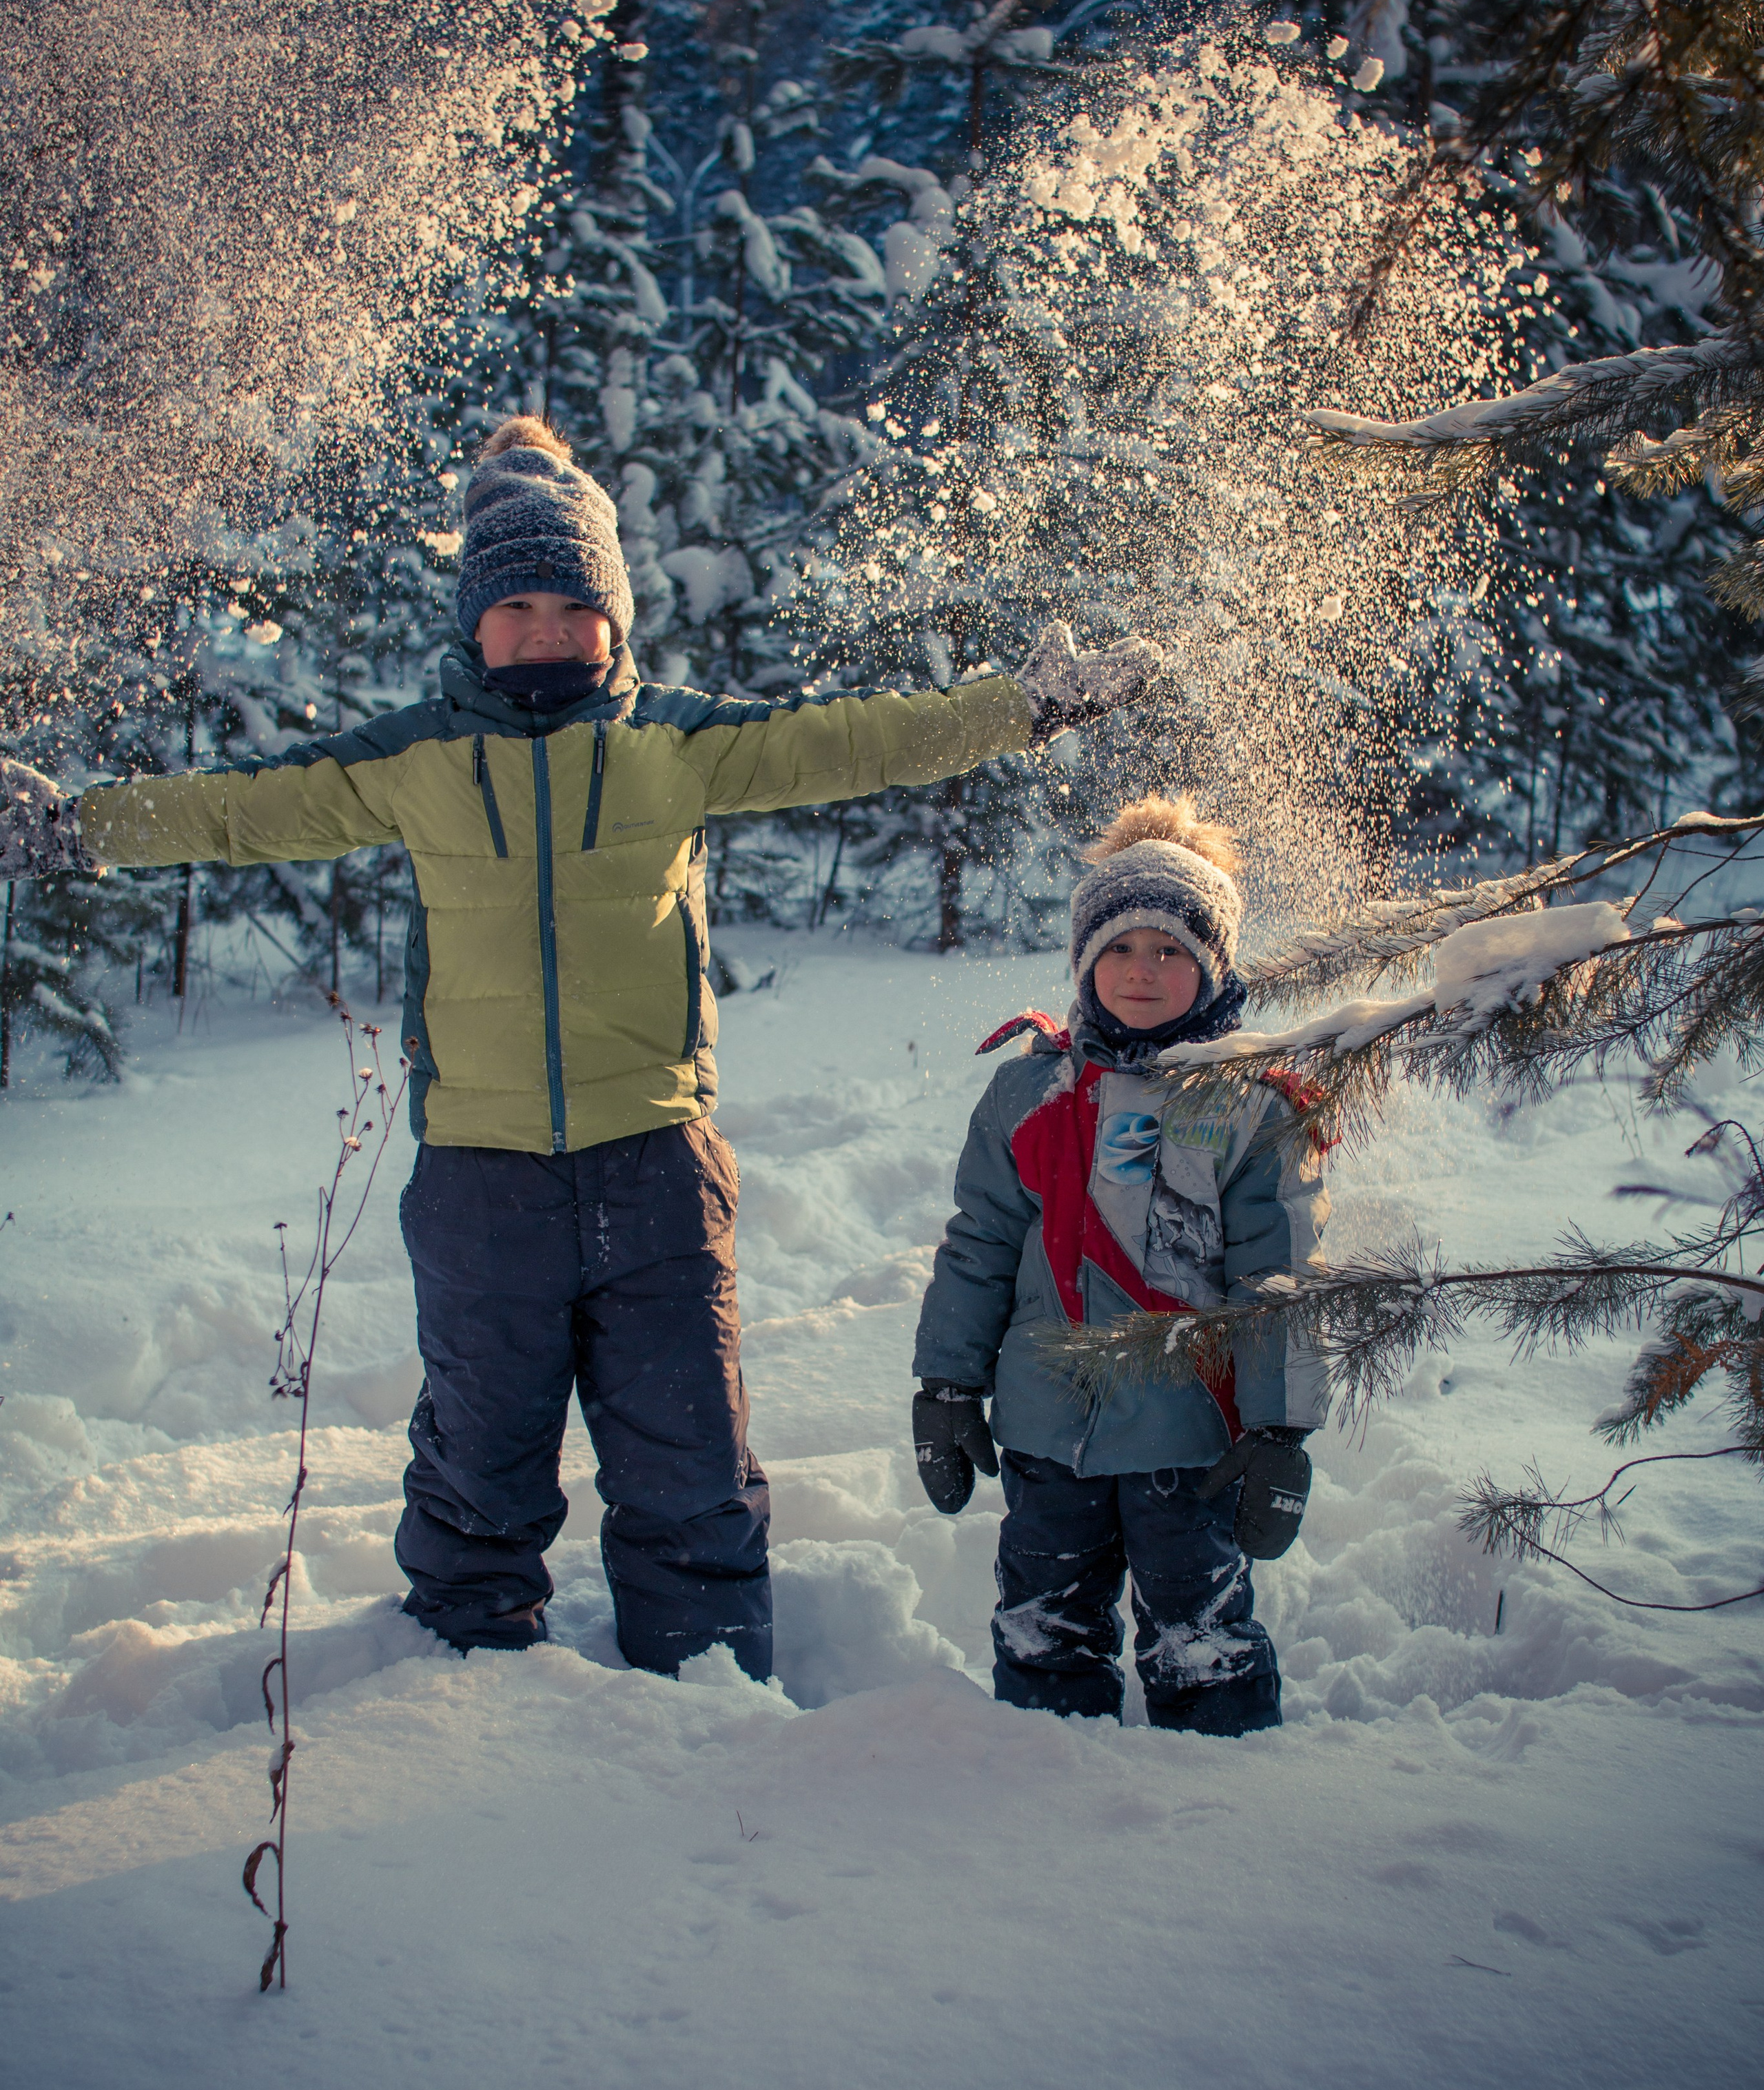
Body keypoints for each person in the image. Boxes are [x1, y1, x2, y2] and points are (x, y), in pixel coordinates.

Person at [0, 415, 1160, 1674]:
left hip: (655, 1165)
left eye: (576, 604)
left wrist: (1028, 706)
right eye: (520, 605)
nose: (548, 630)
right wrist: (78, 829)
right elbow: (238, 812)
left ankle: (708, 1682)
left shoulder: (674, 742)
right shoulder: (414, 761)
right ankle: (464, 1680)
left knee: (688, 1456)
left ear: (615, 617)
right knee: (479, 1458)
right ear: (473, 621)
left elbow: (861, 739)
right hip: (481, 1182)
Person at [910, 794, 1329, 1734]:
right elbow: (978, 1243)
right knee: (1043, 1623)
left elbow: (1281, 1282)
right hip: (1046, 1431)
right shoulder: (1029, 1093)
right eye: (1120, 949)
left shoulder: (1250, 1108)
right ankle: (1044, 1779)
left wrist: (1280, 1432)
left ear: (1215, 967)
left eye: (1172, 950)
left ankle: (1217, 1791)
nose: (1142, 972)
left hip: (1191, 1441)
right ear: (1084, 961)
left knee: (1202, 1633)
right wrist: (944, 1384)